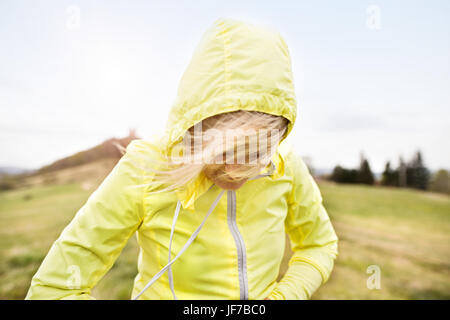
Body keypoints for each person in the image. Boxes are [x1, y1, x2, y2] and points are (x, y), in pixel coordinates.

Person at [26, 18, 338, 300]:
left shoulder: (287, 165)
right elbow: (54, 289)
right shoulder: (148, 167)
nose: (234, 172)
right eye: (223, 151)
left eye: (256, 154)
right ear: (196, 125)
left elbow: (319, 245)